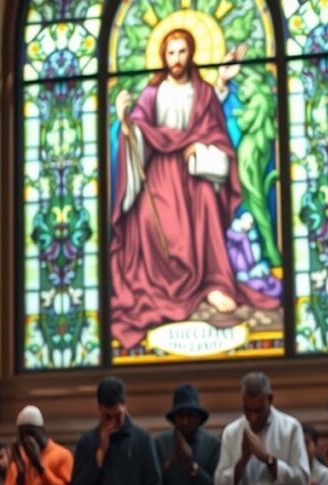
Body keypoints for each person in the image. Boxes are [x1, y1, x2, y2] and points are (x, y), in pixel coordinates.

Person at [110, 28, 278, 348]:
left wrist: (201, 142)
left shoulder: (202, 91)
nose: (176, 59)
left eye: (182, 52)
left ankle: (213, 284)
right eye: (171, 53)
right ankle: (163, 286)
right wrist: (125, 121)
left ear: (191, 54)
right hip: (159, 171)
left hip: (194, 171)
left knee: (206, 204)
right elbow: (139, 132)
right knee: (145, 217)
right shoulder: (152, 93)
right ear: (163, 56)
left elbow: (213, 127)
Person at [215, 372, 309, 485]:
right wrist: (242, 461)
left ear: (270, 399)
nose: (253, 418)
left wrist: (268, 459)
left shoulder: (290, 429)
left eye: (258, 411)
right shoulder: (231, 433)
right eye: (247, 410)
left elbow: (302, 483)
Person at [70, 377, 161, 485]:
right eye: (108, 416)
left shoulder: (143, 440)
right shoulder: (87, 441)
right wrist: (99, 454)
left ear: (125, 405)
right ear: (99, 409)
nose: (113, 422)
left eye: (117, 415)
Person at [154, 384, 221, 485]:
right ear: (173, 418)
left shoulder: (212, 445)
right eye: (180, 416)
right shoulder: (160, 444)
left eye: (189, 416)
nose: (184, 421)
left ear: (198, 418)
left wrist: (192, 466)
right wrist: (170, 465)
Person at [0, 405, 73, 485]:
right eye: (23, 436)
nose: (28, 440)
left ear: (43, 430)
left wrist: (40, 467)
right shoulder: (18, 462)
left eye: (31, 434)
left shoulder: (62, 456)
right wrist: (19, 480)